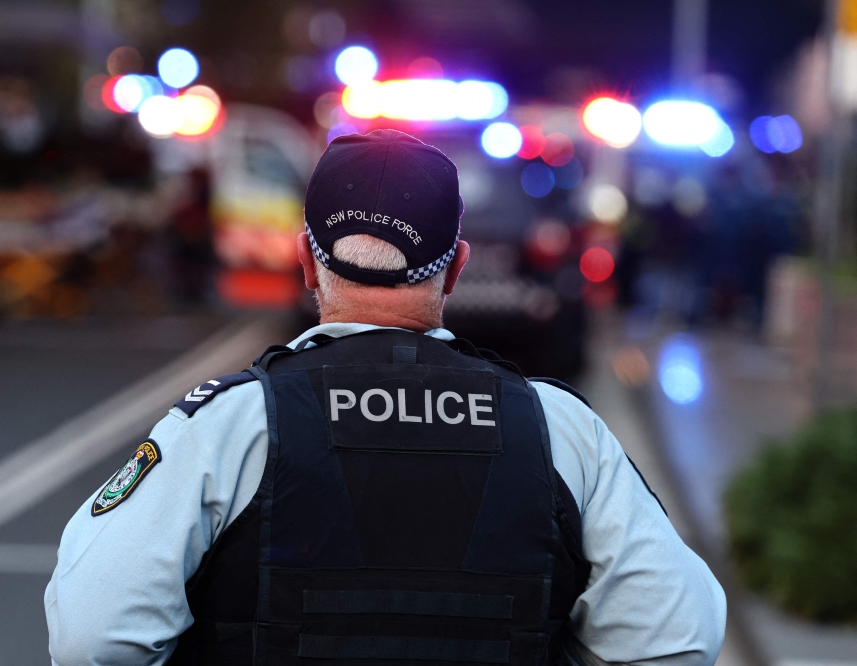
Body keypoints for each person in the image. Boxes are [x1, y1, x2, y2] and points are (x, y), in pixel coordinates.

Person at [45, 129, 726, 666]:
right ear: (456, 266)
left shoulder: (229, 426)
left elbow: (91, 639)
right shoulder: (560, 431)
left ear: (306, 260)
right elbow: (676, 638)